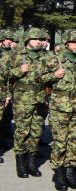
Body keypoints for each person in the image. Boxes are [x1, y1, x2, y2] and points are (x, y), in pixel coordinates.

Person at [38, 29, 76, 191]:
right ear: (66, 43)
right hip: (59, 106)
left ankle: (69, 174)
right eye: (75, 42)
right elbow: (40, 78)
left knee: (74, 142)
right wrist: (54, 74)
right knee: (60, 142)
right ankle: (59, 174)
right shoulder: (56, 59)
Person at [4, 28, 50, 178]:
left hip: (40, 98)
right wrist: (18, 71)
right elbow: (4, 72)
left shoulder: (45, 56)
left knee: (36, 131)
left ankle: (31, 163)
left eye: (41, 39)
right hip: (23, 98)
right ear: (27, 40)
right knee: (23, 131)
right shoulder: (16, 54)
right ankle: (21, 164)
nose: (39, 41)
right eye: (36, 38)